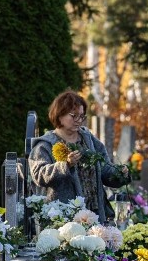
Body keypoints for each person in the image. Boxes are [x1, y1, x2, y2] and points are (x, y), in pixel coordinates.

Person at [29, 90, 129, 222]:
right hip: (63, 220)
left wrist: (119, 173)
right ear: (59, 115)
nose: (78, 120)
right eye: (73, 115)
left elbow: (104, 169)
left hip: (94, 216)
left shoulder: (89, 140)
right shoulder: (45, 145)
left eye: (82, 116)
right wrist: (65, 165)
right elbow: (39, 175)